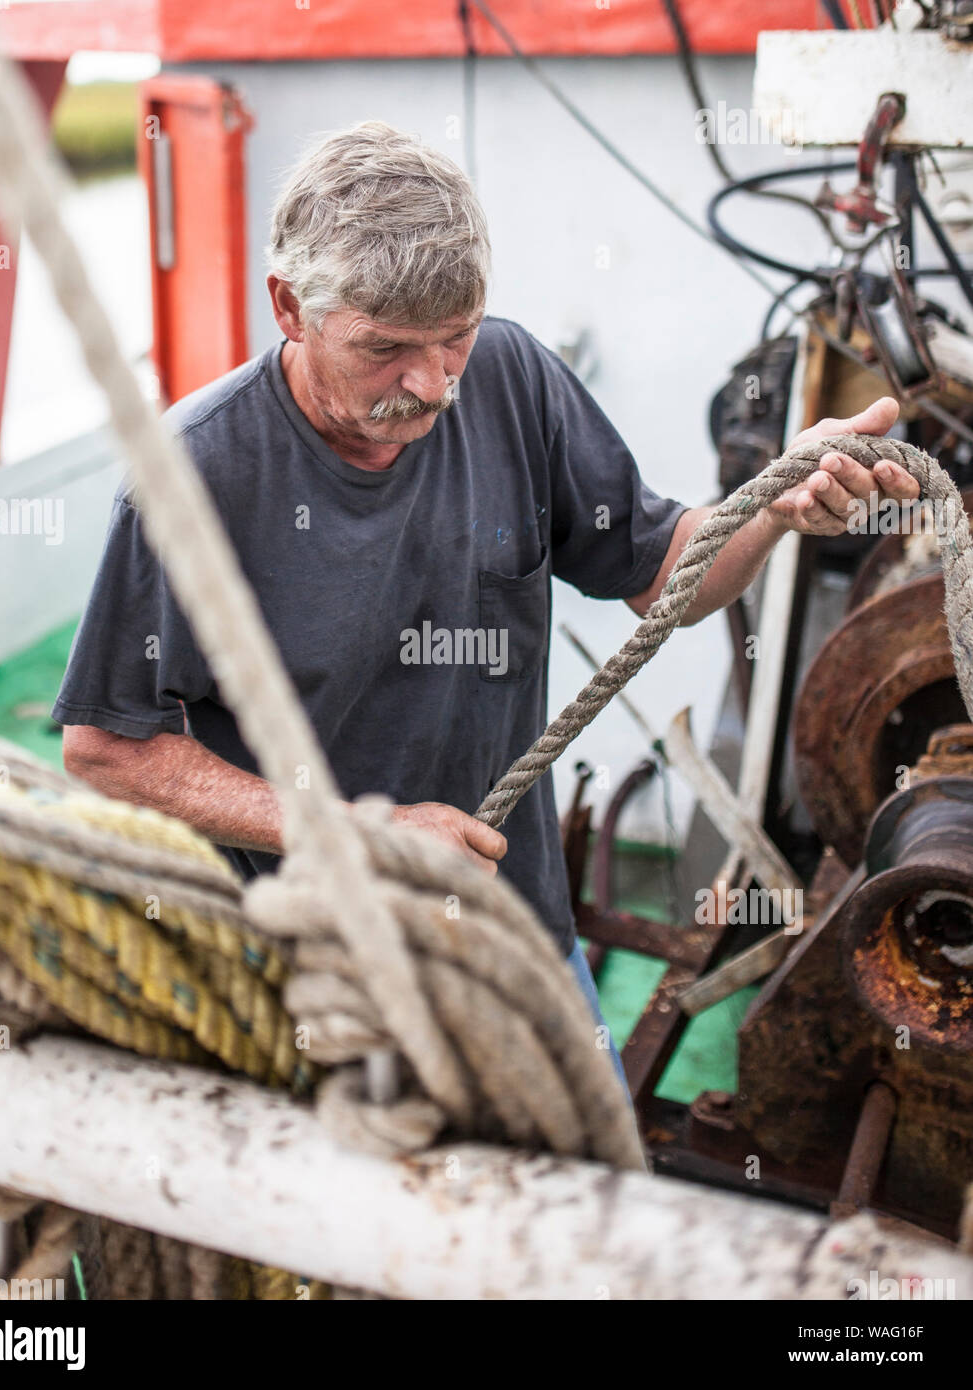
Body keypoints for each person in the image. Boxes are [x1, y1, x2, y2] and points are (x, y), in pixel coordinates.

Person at [52, 120, 915, 1095]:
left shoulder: (509, 377)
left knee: (586, 1204)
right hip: (308, 980)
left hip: (519, 939)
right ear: (290, 307)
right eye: (383, 350)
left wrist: (776, 502)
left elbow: (670, 578)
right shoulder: (195, 475)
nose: (430, 385)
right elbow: (107, 747)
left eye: (452, 337)